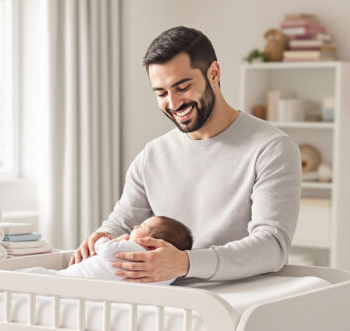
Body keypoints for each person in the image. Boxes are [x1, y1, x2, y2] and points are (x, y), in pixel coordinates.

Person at [71, 26, 301, 282]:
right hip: (165, 304)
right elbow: (121, 224)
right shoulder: (152, 156)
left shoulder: (271, 148)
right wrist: (101, 237)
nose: (173, 103)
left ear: (213, 73)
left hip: (237, 302)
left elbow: (272, 246)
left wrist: (186, 263)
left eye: (182, 87)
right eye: (161, 93)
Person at [22, 216, 192, 284]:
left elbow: (106, 250)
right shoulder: (169, 274)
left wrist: (107, 239)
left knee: (35, 274)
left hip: (69, 279)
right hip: (88, 286)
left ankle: (3, 282)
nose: (136, 225)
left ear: (150, 243)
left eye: (143, 226)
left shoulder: (133, 248)